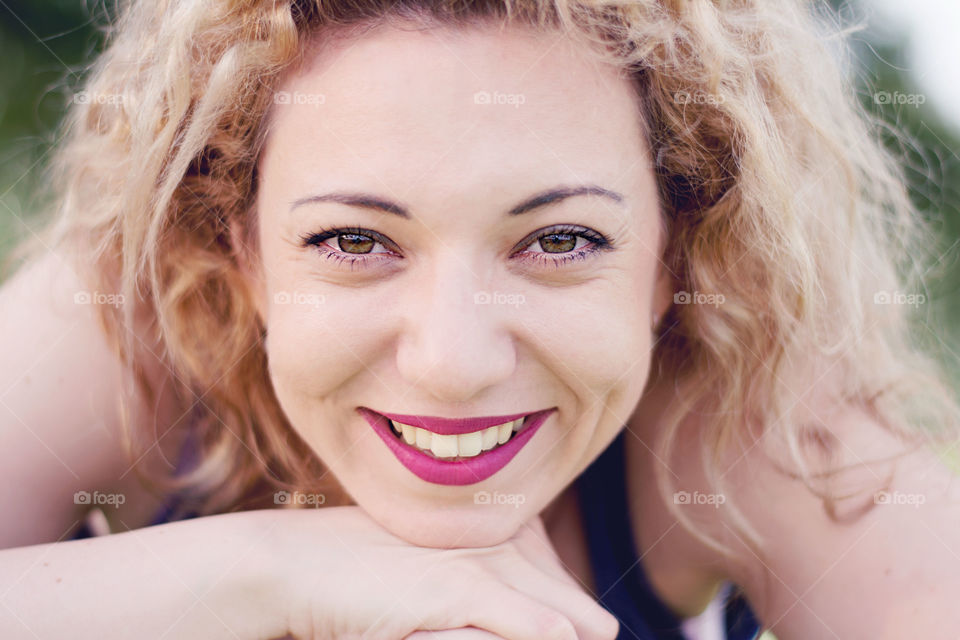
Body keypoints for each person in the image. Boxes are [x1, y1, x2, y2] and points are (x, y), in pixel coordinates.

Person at [2, 0, 959, 638]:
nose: (453, 364)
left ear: (675, 259)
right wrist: (268, 568)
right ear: (239, 254)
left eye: (559, 242)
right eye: (351, 241)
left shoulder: (737, 416)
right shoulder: (126, 325)